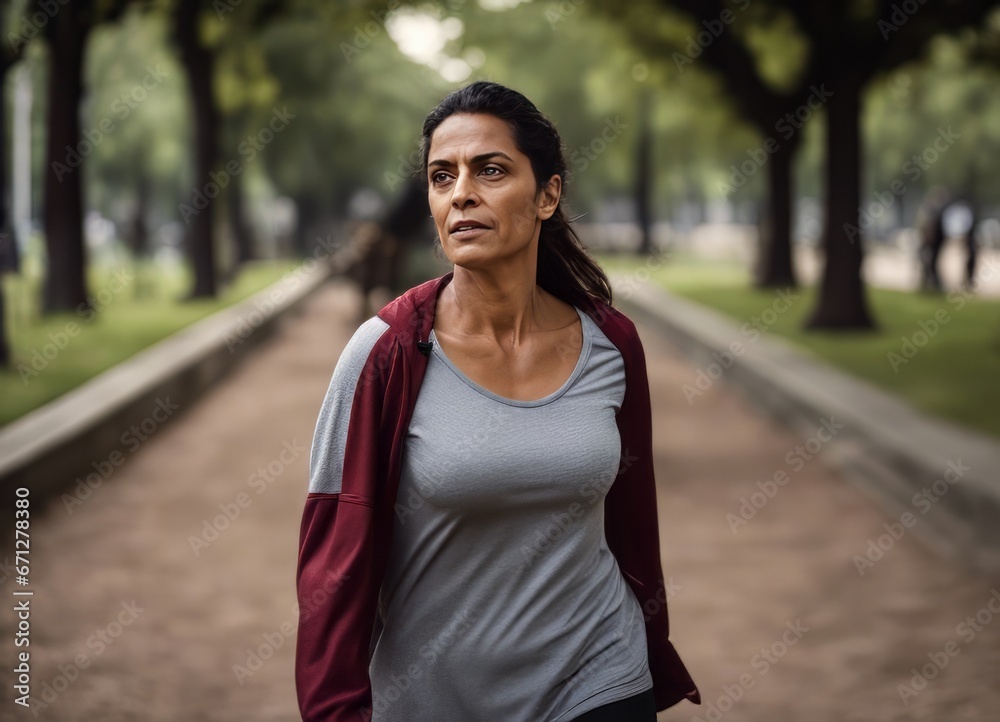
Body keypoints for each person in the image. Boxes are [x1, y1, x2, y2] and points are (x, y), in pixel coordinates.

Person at [295, 81, 700, 722]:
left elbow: (632, 524)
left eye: (490, 170)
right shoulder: (384, 353)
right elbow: (332, 561)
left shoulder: (611, 344)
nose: (461, 193)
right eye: (441, 176)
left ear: (547, 194)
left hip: (600, 682)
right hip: (433, 699)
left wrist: (650, 651)